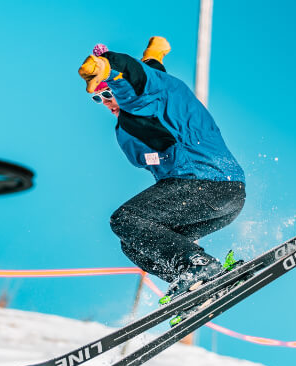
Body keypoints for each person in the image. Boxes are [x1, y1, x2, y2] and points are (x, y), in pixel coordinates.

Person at [79, 37, 246, 301]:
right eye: (98, 98)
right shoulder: (134, 124)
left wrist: (108, 66)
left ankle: (198, 266)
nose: (107, 102)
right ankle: (197, 284)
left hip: (208, 183)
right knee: (134, 243)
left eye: (109, 93)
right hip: (216, 200)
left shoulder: (153, 97)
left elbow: (138, 80)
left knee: (124, 219)